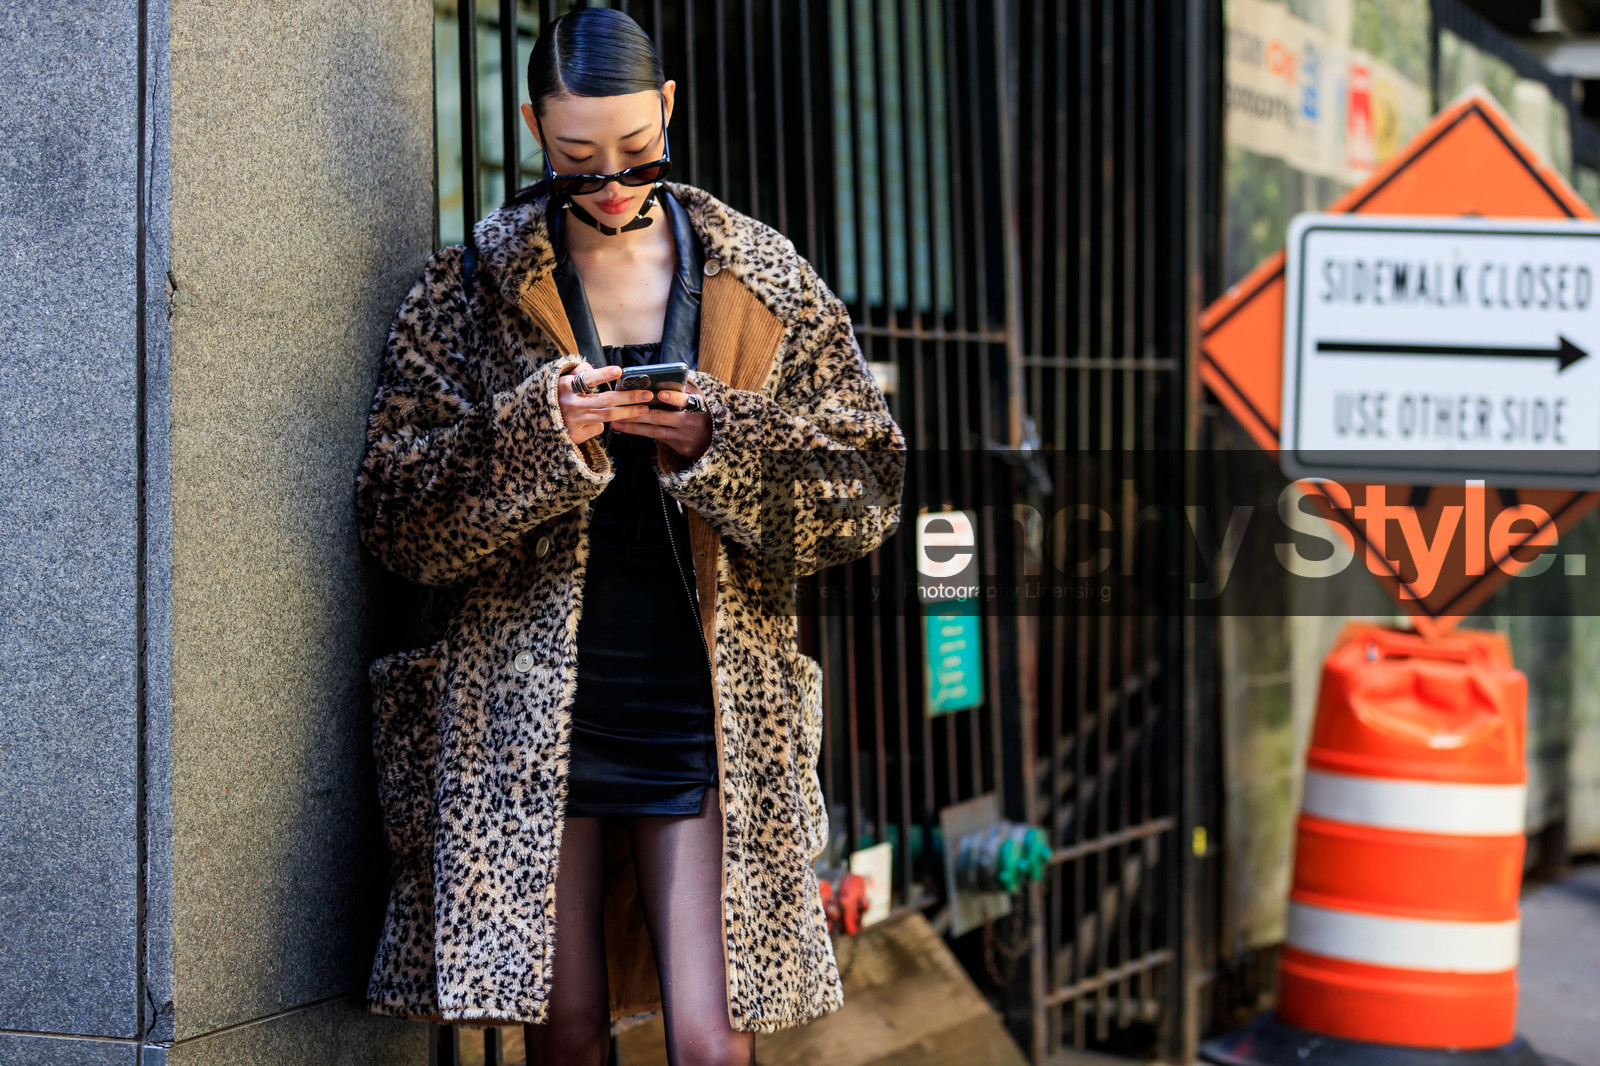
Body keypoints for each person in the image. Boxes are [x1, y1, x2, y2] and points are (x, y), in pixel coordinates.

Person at [353, 8, 905, 1066]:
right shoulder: (469, 288)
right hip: (524, 713)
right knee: (564, 1033)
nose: (609, 183)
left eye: (636, 154)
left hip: (702, 703)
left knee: (710, 1037)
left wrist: (720, 437)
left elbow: (868, 489)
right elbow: (393, 514)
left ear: (667, 110)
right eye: (575, 157)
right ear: (531, 128)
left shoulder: (764, 280)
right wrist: (536, 436)